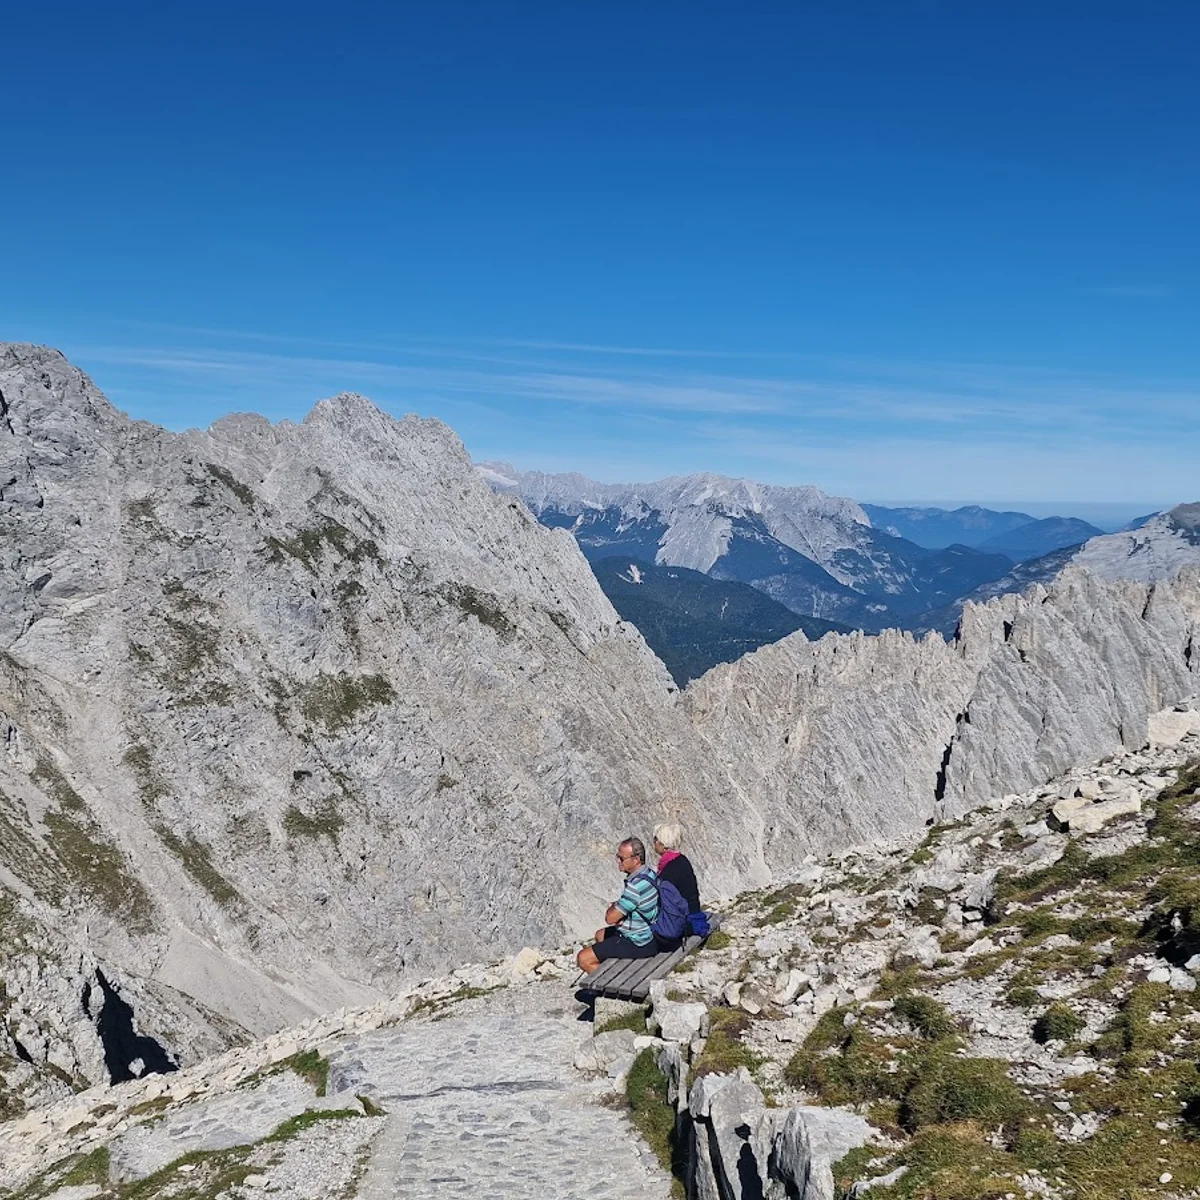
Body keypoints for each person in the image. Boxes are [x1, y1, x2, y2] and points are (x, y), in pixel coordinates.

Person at [576, 836, 660, 974]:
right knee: (600, 935)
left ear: (636, 860)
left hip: (637, 941)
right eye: (618, 857)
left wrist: (613, 908)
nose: (618, 861)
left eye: (622, 858)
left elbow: (610, 919)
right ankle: (609, 970)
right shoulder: (649, 874)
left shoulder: (635, 887)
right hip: (649, 934)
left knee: (583, 958)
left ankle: (609, 982)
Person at [652, 821, 701, 920]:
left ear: (663, 844)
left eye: (656, 839)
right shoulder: (680, 860)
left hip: (683, 919)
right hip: (692, 911)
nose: (654, 842)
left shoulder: (670, 868)